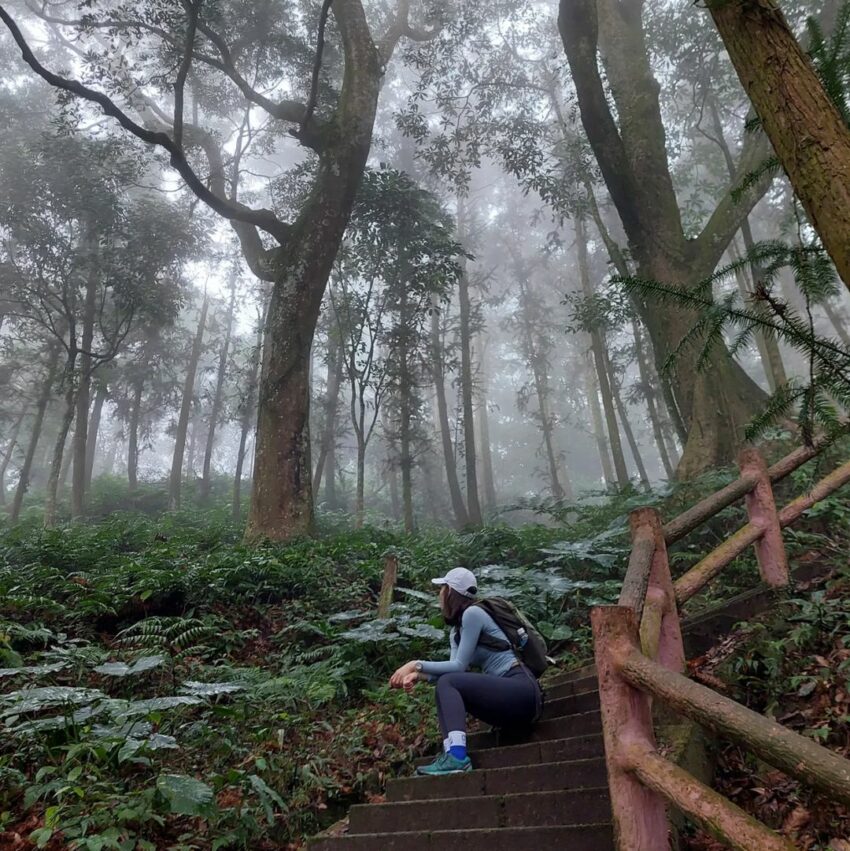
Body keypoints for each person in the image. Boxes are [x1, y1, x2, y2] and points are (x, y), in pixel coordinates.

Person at [389, 567, 543, 776]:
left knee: (449, 682)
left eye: (442, 588)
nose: (439, 595)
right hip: (506, 704)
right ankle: (453, 753)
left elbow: (458, 668)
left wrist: (416, 664)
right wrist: (420, 675)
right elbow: (455, 667)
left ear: (451, 592)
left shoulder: (473, 613)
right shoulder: (457, 631)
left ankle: (457, 757)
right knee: (446, 684)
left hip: (522, 689)